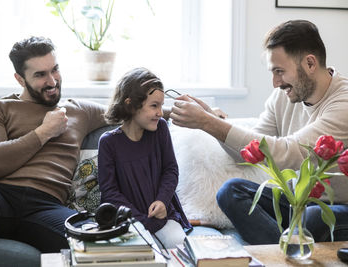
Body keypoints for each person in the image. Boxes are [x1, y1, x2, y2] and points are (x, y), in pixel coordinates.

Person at [170, 20, 348, 244]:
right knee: (231, 191)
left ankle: (282, 250)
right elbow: (248, 155)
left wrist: (209, 123)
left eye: (280, 71)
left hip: (337, 209)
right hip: (297, 203)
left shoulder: (343, 103)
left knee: (312, 216)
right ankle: (286, 249)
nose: (275, 83)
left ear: (310, 63)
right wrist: (211, 121)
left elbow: (290, 153)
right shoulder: (284, 96)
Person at [0, 36, 107, 266]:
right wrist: (43, 132)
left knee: (96, 240)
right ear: (20, 79)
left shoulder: (79, 110)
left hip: (46, 206)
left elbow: (129, 110)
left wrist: (174, 112)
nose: (52, 81)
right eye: (40, 75)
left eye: (55, 70)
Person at [97, 67, 192, 249]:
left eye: (161, 105)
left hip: (162, 215)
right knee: (144, 250)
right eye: (154, 106)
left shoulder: (161, 129)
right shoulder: (108, 142)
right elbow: (109, 192)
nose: (160, 112)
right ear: (131, 105)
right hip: (127, 219)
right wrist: (141, 220)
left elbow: (170, 170)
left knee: (179, 245)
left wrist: (162, 201)